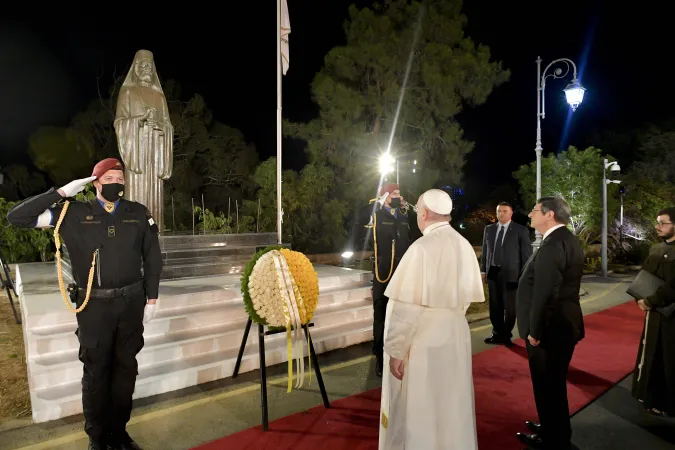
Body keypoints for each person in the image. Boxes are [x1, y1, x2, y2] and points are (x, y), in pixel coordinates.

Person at [7, 158, 163, 450]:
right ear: (95, 182)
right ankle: (97, 436)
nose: (116, 182)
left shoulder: (138, 213)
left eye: (120, 177)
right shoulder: (71, 213)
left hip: (131, 304)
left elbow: (153, 257)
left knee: (126, 371)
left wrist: (151, 298)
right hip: (94, 307)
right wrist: (60, 193)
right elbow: (17, 217)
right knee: (96, 373)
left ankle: (119, 433)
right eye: (109, 178)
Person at [378, 189, 484, 450]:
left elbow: (406, 310)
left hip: (424, 340)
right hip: (455, 334)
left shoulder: (422, 248)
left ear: (423, 214)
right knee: (451, 404)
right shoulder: (463, 245)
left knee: (423, 408)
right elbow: (465, 299)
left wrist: (395, 351)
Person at [515, 196, 585, 450]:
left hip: (549, 330)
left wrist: (535, 330)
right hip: (561, 326)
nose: (531, 215)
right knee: (552, 385)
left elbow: (546, 292)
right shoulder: (565, 239)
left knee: (548, 385)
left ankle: (553, 439)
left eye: (534, 211)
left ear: (550, 214)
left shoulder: (554, 244)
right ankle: (552, 427)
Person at [115, 49, 174, 233]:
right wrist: (139, 120)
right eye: (143, 65)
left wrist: (161, 126)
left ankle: (156, 230)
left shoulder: (159, 96)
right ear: (136, 68)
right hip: (137, 150)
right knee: (136, 191)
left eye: (150, 65)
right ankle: (131, 230)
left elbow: (169, 126)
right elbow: (119, 122)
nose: (147, 68)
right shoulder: (127, 92)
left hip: (155, 150)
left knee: (155, 194)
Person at [631, 207, 675, 417]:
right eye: (657, 222)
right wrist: (640, 297)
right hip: (654, 313)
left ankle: (667, 402)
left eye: (663, 223)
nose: (657, 227)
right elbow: (645, 275)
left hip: (671, 315)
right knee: (652, 355)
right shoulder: (657, 248)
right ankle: (650, 396)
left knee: (668, 358)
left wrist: (651, 300)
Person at [371, 183, 412, 377]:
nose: (398, 195)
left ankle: (399, 353)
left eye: (399, 192)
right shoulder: (377, 215)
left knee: (401, 313)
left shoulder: (403, 216)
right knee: (381, 313)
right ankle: (379, 357)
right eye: (394, 193)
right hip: (383, 271)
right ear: (385, 195)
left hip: (402, 271)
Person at [481, 202, 532, 345]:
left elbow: (526, 256)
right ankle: (497, 333)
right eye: (499, 211)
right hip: (493, 273)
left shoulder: (520, 230)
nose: (501, 214)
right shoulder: (489, 229)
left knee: (510, 308)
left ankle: (506, 334)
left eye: (504, 211)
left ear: (511, 213)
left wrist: (524, 276)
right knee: (494, 305)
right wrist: (483, 270)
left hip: (512, 275)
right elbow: (485, 252)